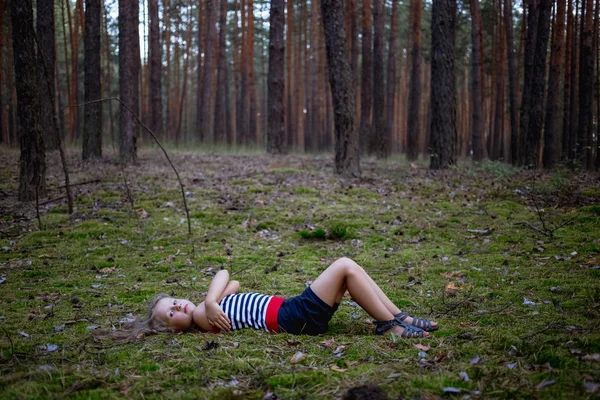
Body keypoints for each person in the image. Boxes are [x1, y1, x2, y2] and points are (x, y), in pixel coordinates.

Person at [101, 258, 438, 341]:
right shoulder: (205, 315)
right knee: (345, 266)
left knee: (352, 273)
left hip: (294, 314)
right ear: (174, 331)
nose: (179, 308)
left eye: (174, 301)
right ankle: (388, 324)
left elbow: (233, 282)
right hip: (292, 315)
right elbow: (221, 273)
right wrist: (211, 298)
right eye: (172, 315)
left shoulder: (212, 310)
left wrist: (217, 298)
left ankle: (399, 317)